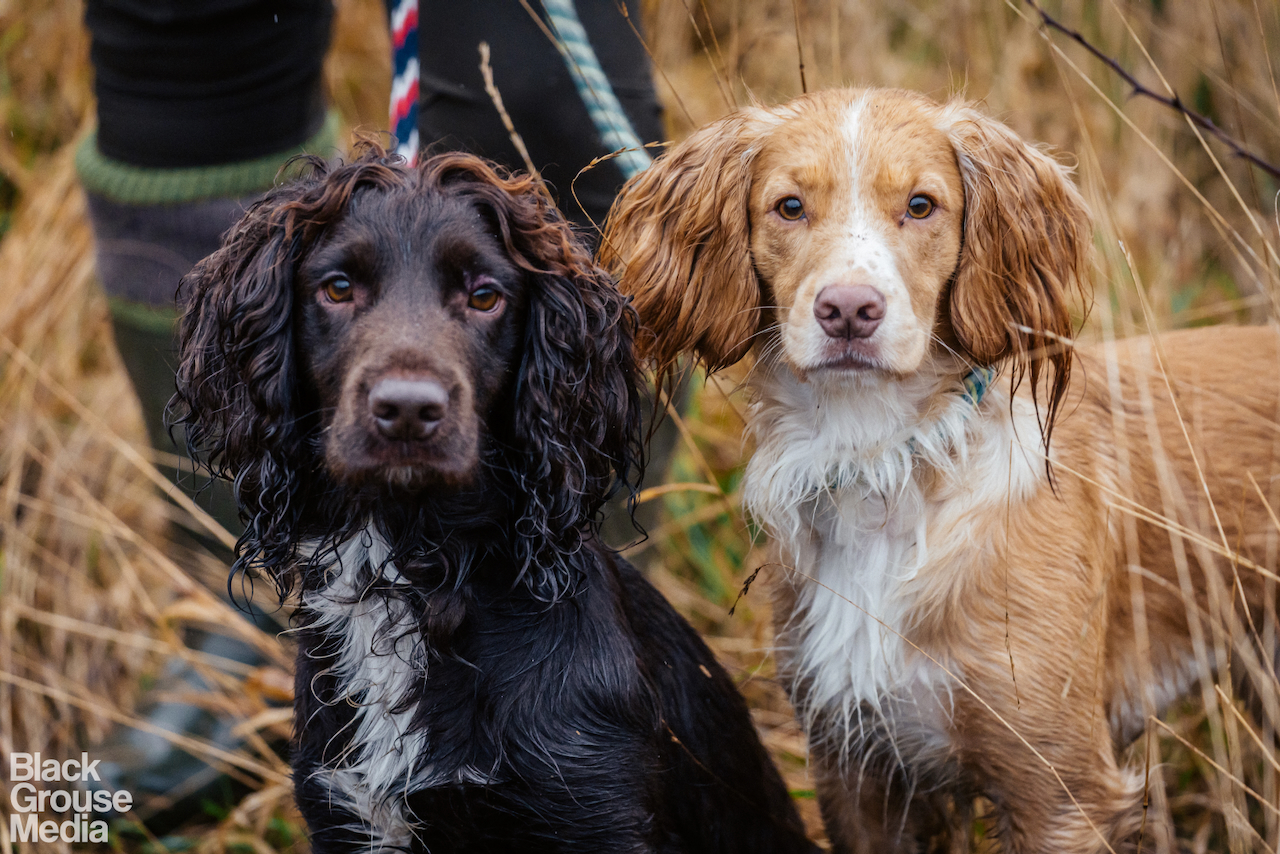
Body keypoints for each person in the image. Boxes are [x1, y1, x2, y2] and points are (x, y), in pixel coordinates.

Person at [77, 0, 663, 825]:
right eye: (340, 289)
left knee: (537, 87)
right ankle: (234, 617)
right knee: (187, 43)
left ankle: (584, 585)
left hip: (556, 657)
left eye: (482, 292)